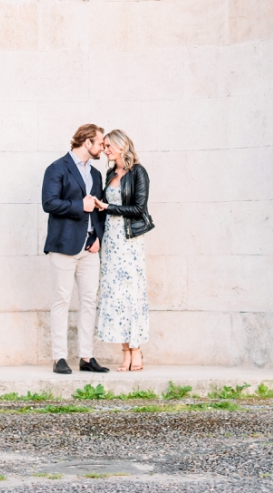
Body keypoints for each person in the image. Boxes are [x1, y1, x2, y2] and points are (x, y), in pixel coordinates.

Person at [41, 123, 111, 375]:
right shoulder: (57, 168)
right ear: (87, 142)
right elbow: (48, 203)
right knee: (61, 300)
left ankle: (86, 357)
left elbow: (99, 210)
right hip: (63, 246)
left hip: (90, 248)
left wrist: (99, 237)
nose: (103, 148)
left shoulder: (96, 174)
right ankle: (59, 357)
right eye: (101, 143)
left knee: (89, 301)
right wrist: (78, 205)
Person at [95, 129, 153, 372]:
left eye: (109, 145)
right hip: (110, 242)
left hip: (129, 241)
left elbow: (139, 208)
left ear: (121, 146)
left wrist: (108, 207)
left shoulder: (138, 172)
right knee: (115, 296)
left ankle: (136, 349)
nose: (105, 150)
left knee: (132, 294)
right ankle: (124, 351)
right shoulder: (109, 173)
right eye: (104, 145)